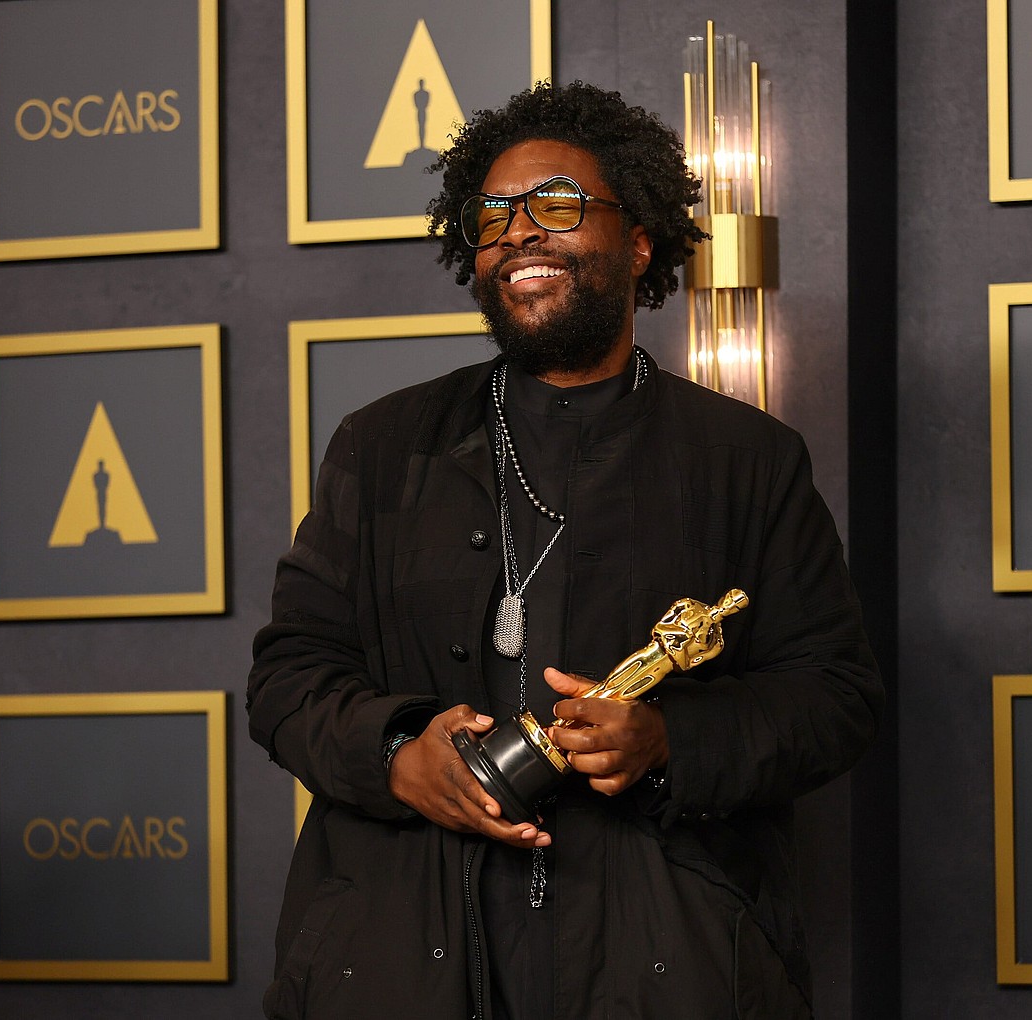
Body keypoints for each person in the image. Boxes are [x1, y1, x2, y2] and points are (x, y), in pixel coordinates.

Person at [248, 80, 883, 1019]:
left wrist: (669, 742)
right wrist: (397, 753)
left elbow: (833, 698)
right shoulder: (381, 446)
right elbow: (287, 675)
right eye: (493, 216)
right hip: (395, 961)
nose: (517, 233)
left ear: (639, 241)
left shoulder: (747, 459)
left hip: (666, 968)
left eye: (556, 205)